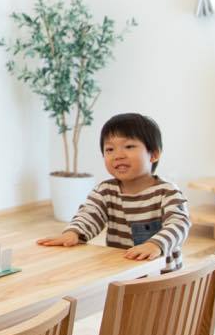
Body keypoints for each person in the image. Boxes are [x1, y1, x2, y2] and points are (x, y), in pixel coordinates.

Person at [37, 112, 191, 272]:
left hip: (162, 277)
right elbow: (89, 215)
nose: (118, 155)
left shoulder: (167, 192)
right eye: (110, 149)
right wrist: (73, 233)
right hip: (120, 272)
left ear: (154, 154)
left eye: (129, 146)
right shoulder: (105, 191)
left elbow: (179, 224)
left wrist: (155, 244)